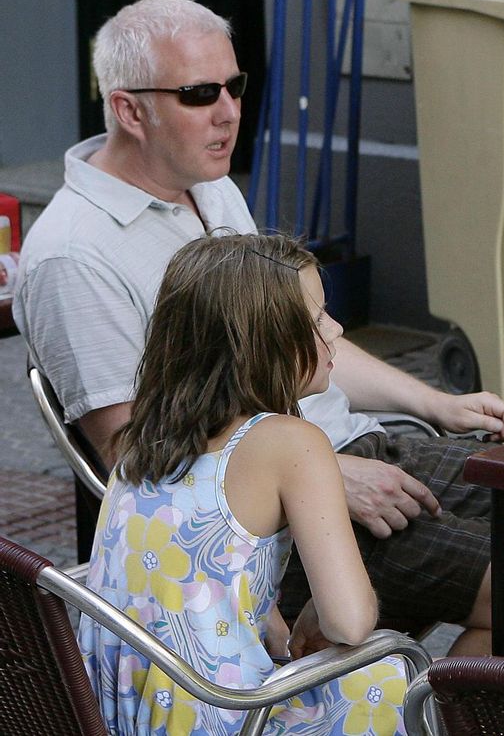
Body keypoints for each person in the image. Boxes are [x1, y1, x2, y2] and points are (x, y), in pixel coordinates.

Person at [16, 0, 504, 661]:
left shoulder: (209, 183)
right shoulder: (72, 253)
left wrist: (434, 402)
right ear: (128, 109)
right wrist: (324, 478)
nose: (229, 111)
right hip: (269, 517)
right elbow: (132, 453)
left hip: (349, 448)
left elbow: (300, 345)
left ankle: (438, 701)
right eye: (200, 94)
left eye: (235, 85)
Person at [78, 233, 412, 734]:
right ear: (265, 339)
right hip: (224, 718)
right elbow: (350, 622)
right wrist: (326, 612)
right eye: (317, 319)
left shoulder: (141, 435)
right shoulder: (289, 442)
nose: (337, 329)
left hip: (114, 713)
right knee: (390, 671)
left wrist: (280, 619)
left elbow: (198, 573)